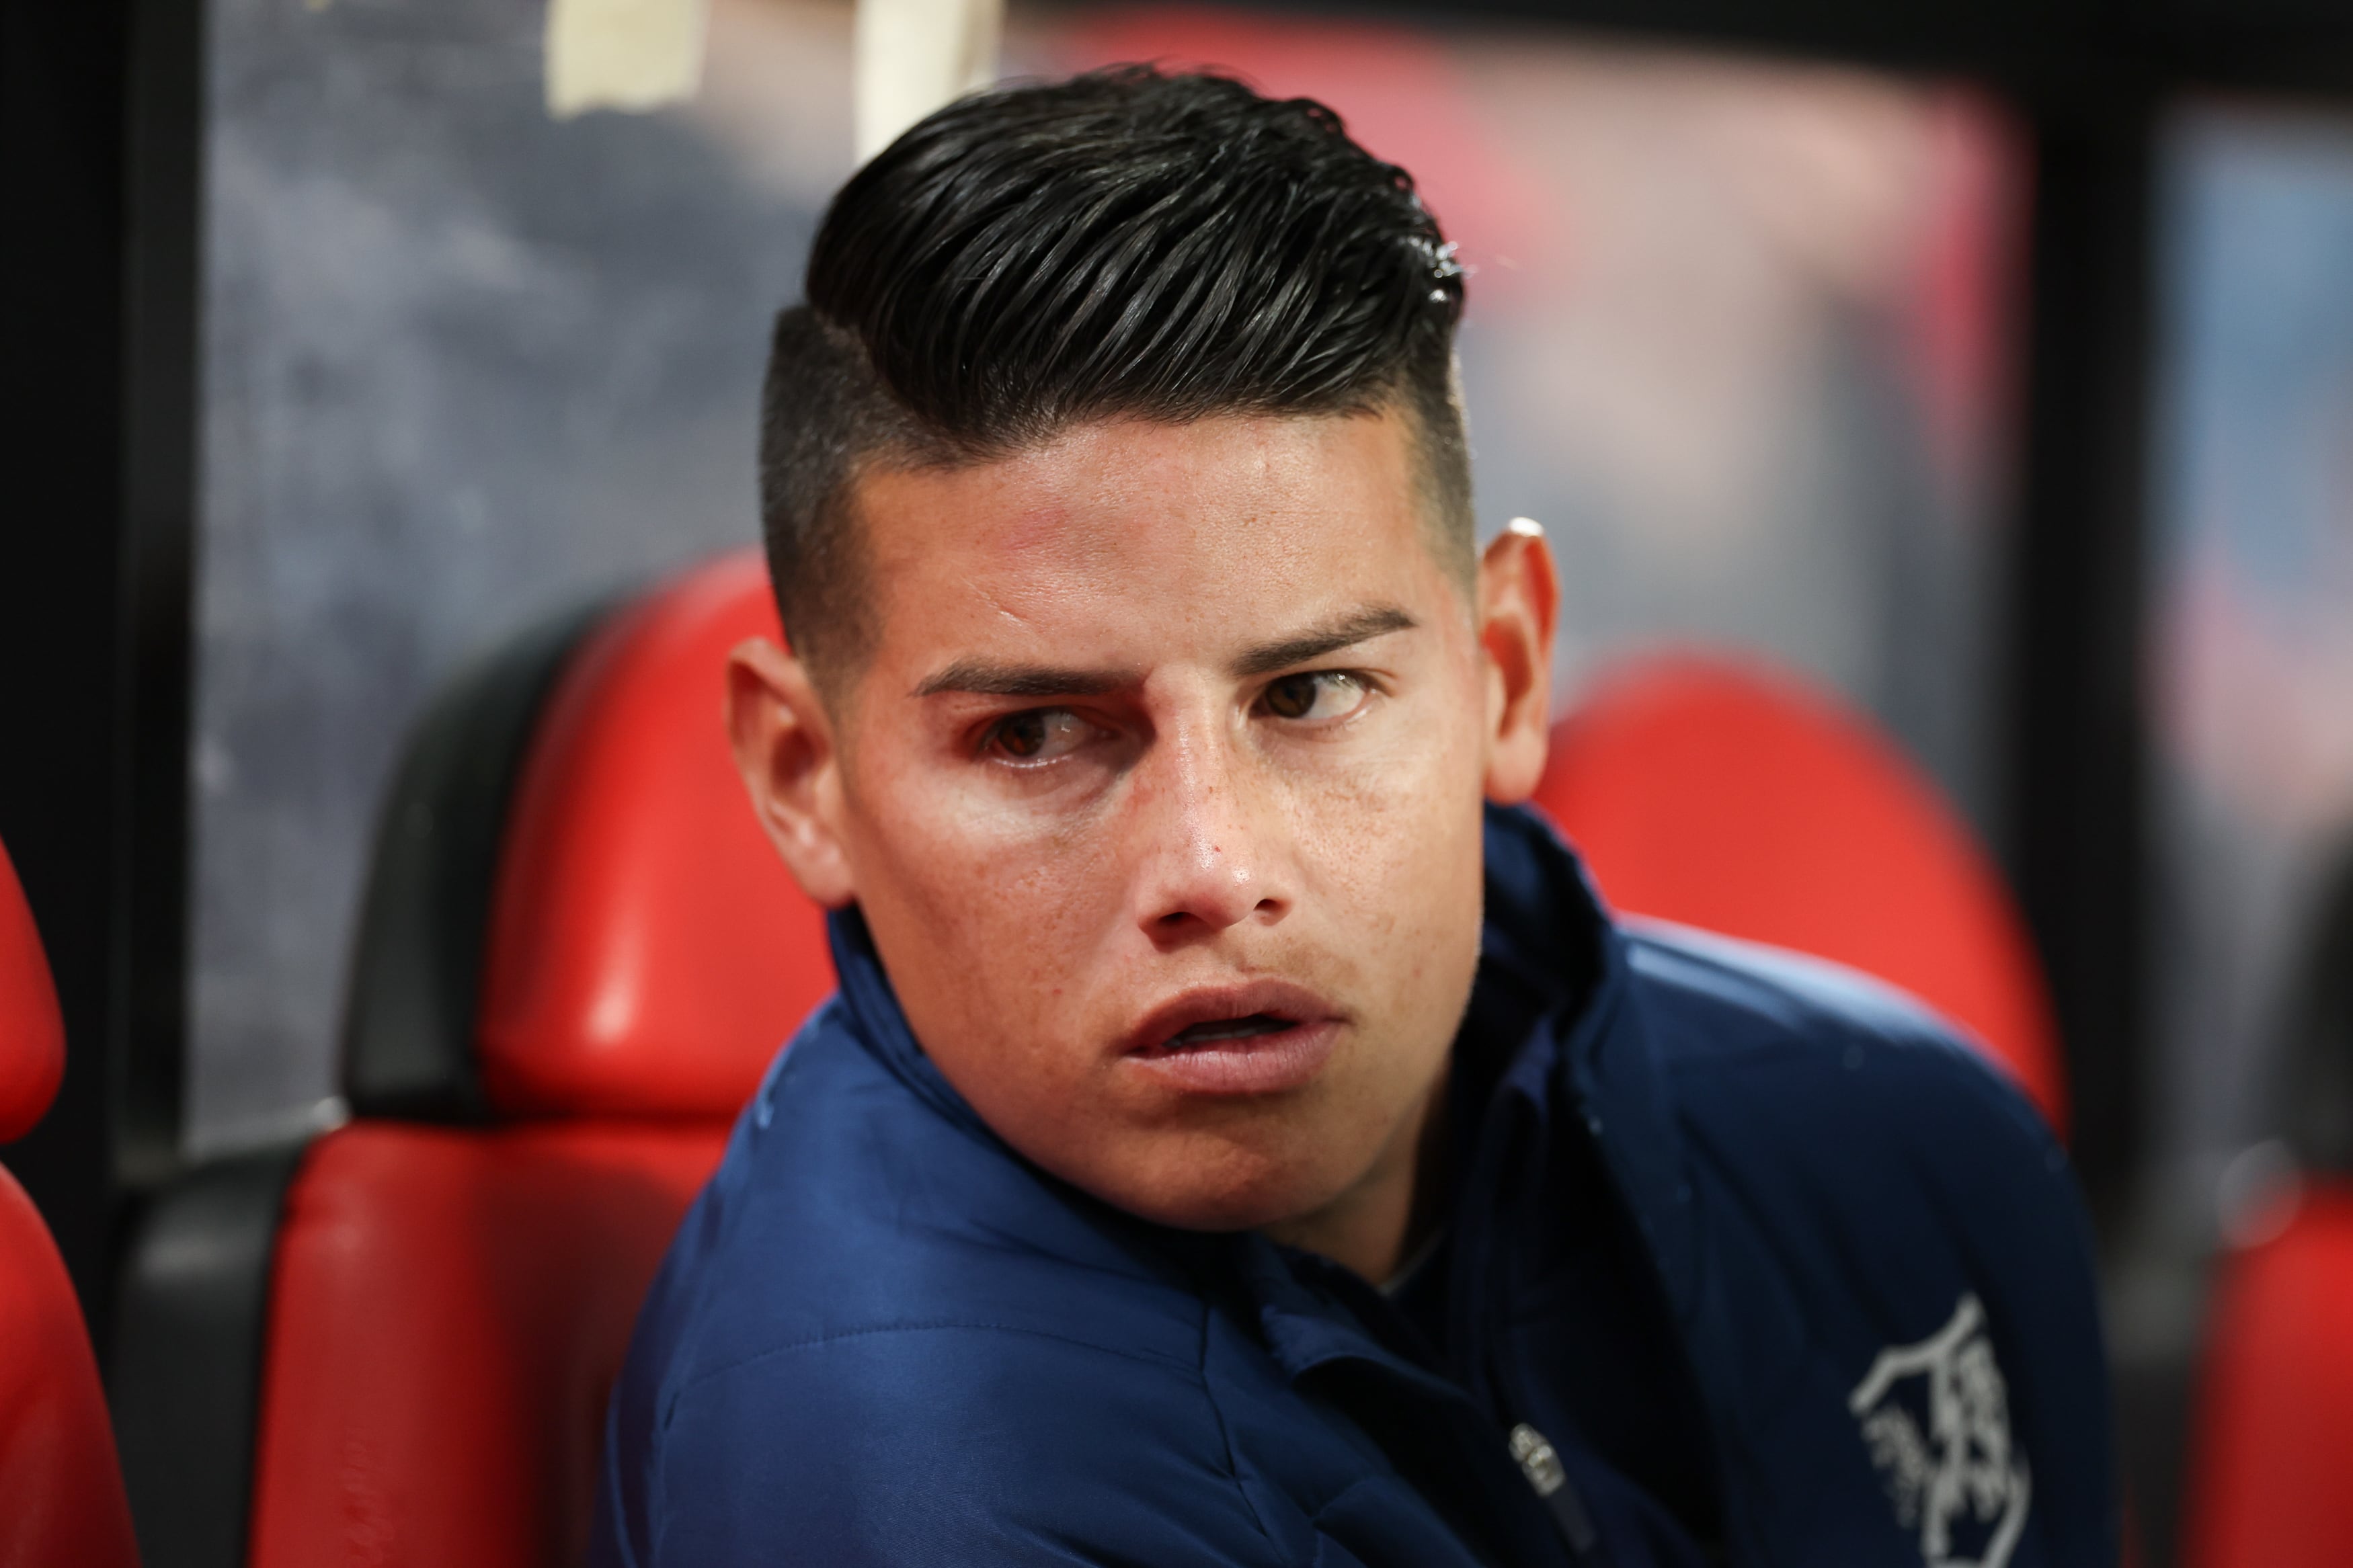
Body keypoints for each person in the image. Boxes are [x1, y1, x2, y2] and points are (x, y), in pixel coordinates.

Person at [592, 67, 2114, 1567]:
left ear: (1504, 669)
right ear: (802, 775)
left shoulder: (1905, 1151)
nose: (1214, 865)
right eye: (1036, 734)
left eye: (1310, 694)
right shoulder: (897, 1482)